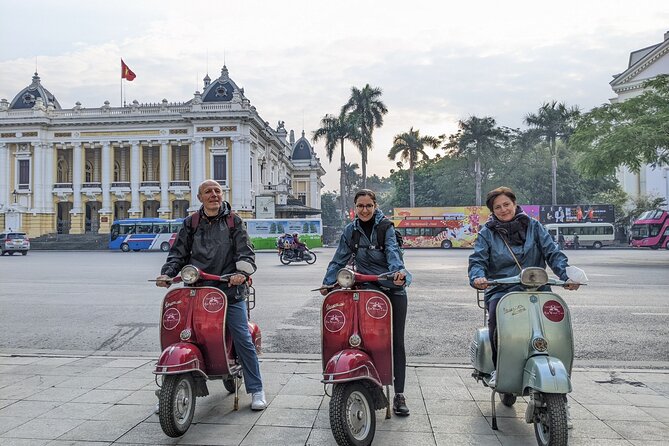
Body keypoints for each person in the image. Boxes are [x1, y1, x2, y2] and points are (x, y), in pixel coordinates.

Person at [155, 179, 266, 411]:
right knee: (180, 334)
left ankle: (256, 389)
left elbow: (246, 252)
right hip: (197, 290)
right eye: (208, 192)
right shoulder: (191, 222)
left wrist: (240, 273)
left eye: (217, 191)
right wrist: (167, 274)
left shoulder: (234, 221)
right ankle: (170, 388)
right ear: (200, 198)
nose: (214, 195)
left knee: (243, 338)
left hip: (228, 290)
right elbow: (178, 253)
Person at [468, 187, 580, 389]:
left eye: (506, 204)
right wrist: (478, 277)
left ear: (515, 203)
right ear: (492, 211)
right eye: (498, 207)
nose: (503, 210)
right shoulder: (487, 233)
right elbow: (477, 260)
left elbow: (552, 253)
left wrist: (567, 275)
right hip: (502, 290)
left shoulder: (534, 226)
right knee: (495, 319)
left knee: (553, 323)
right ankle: (497, 368)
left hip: (537, 288)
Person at [320, 189, 412, 416]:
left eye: (368, 205)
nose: (364, 210)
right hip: (367, 287)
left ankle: (399, 394)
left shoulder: (386, 228)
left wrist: (397, 273)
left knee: (395, 341)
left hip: (392, 287)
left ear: (375, 205)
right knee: (361, 336)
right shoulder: (350, 231)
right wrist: (327, 282)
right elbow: (339, 258)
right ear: (355, 207)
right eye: (360, 206)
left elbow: (393, 253)